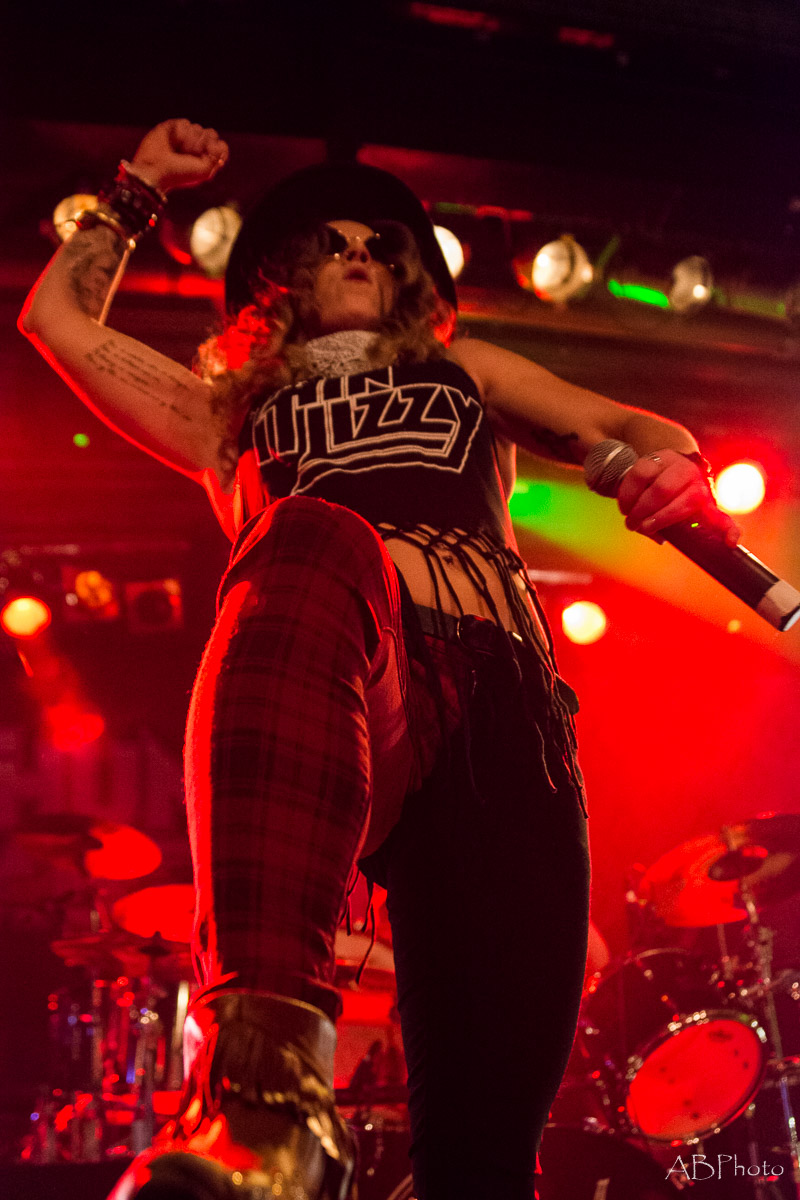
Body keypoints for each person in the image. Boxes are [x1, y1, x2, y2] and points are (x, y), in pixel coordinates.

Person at [19, 119, 739, 1200]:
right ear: (279, 277)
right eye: (331, 241)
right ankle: (266, 1101)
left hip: (503, 720)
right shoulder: (227, 411)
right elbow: (56, 321)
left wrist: (672, 468)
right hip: (344, 680)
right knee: (311, 534)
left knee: (486, 1149)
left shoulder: (463, 369)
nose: (358, 250)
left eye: (378, 244)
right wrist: (138, 187)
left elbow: (633, 425)